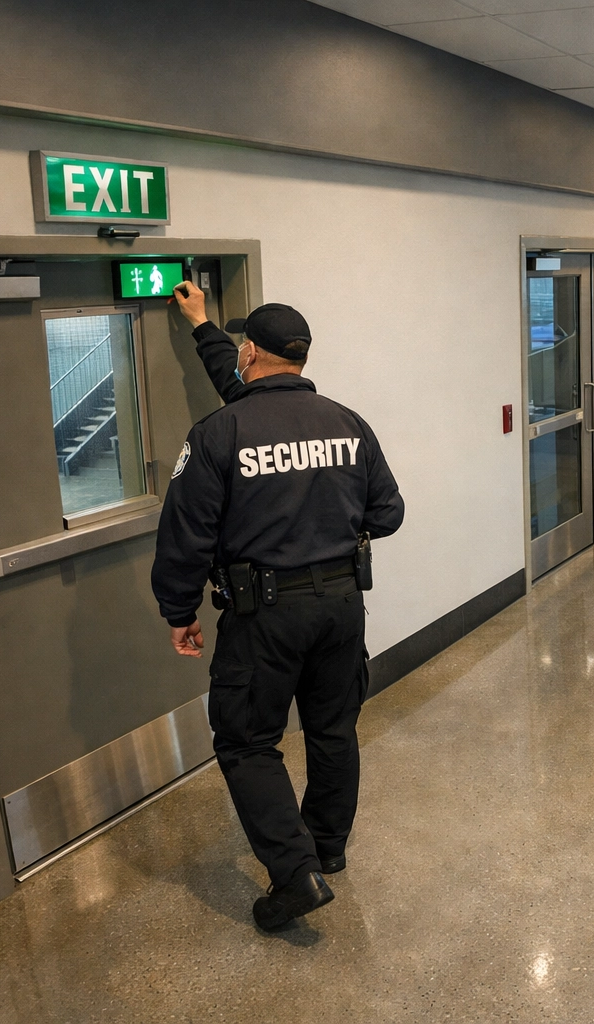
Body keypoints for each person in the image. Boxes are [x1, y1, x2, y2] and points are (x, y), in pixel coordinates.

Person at [152, 281, 405, 931]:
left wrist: (179, 611)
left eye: (237, 347)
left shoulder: (220, 433)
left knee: (246, 741)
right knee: (332, 729)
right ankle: (326, 849)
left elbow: (185, 538)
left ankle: (294, 878)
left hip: (264, 617)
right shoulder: (348, 424)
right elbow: (389, 513)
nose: (235, 357)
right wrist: (202, 324)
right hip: (342, 608)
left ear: (252, 354)